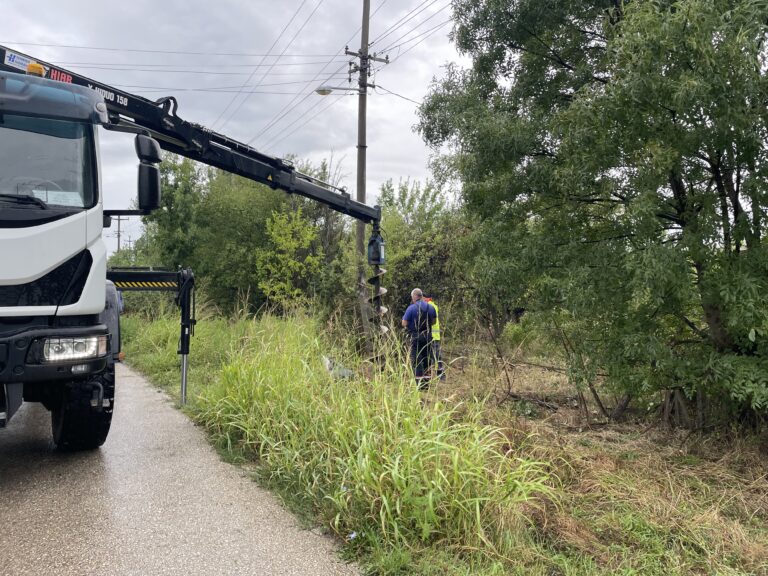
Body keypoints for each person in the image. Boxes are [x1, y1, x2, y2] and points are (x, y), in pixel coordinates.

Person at [401, 288, 436, 389]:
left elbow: (404, 323)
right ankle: (426, 385)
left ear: (414, 296)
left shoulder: (411, 308)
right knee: (427, 360)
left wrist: (411, 326)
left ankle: (419, 384)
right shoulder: (431, 307)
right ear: (421, 296)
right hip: (428, 337)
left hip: (416, 337)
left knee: (416, 360)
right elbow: (434, 322)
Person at [423, 296, 445, 381]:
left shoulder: (429, 306)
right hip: (432, 336)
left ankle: (440, 375)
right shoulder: (432, 305)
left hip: (432, 336)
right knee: (435, 356)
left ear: (426, 298)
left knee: (435, 357)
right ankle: (438, 375)